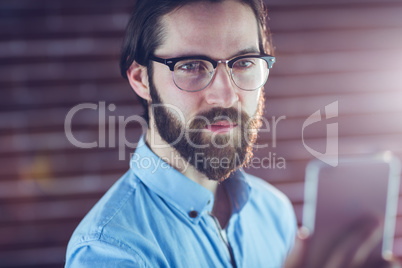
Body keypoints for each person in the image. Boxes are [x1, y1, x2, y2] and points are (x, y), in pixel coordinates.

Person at [65, 0, 399, 267]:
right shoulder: (109, 251)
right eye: (192, 66)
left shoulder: (274, 212)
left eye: (243, 62)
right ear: (141, 79)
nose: (225, 96)